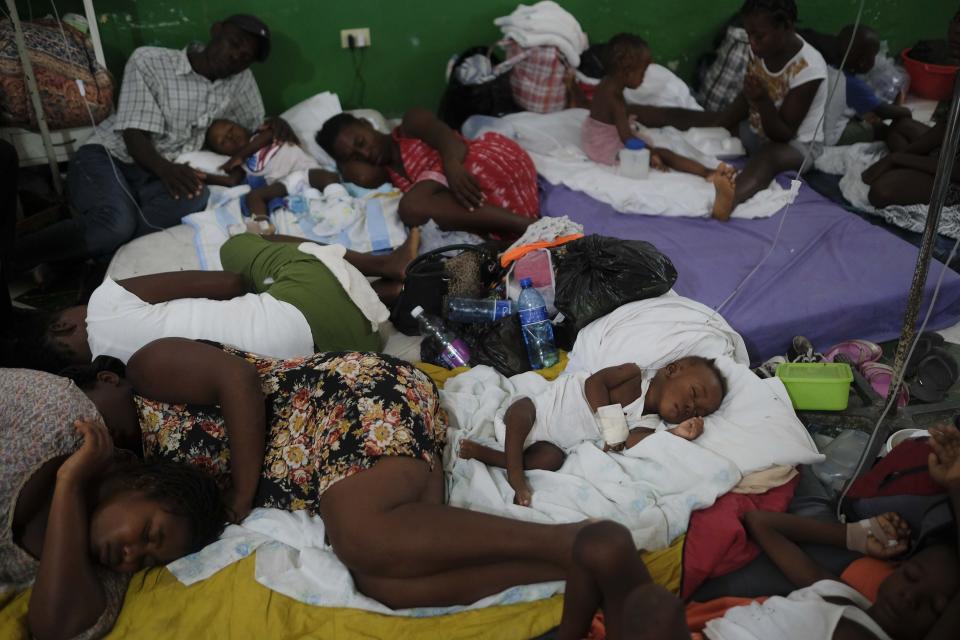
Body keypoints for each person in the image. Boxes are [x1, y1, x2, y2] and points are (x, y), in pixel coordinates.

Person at [61, 338, 656, 624]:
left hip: (346, 398)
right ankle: (575, 566)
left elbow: (237, 382)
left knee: (362, 537)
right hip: (334, 466)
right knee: (383, 582)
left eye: (85, 405)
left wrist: (241, 494)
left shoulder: (144, 370)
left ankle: (583, 540)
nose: (92, 429)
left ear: (102, 379)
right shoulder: (142, 475)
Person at [578, 423, 960, 640]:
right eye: (911, 577)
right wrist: (856, 536)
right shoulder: (839, 593)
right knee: (602, 543)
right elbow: (759, 523)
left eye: (934, 607)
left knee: (653, 608)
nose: (912, 598)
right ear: (897, 568)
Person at [12, 14, 293, 280]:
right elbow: (133, 133)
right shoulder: (151, 61)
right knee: (115, 223)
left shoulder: (240, 80)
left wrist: (275, 123)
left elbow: (254, 126)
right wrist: (166, 169)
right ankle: (12, 258)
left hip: (159, 173)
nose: (236, 57)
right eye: (234, 44)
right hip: (112, 157)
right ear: (216, 30)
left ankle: (83, 252)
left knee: (196, 197)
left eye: (246, 58)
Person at [1, 367, 226, 640]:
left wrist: (68, 485)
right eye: (148, 534)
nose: (131, 557)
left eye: (145, 561)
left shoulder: (100, 566)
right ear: (144, 484)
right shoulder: (58, 413)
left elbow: (56, 628)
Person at [7, 230, 420, 372]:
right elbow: (229, 282)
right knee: (236, 246)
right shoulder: (104, 304)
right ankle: (386, 262)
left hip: (351, 354)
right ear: (63, 324)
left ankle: (382, 293)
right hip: (314, 309)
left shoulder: (118, 380)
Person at [628, 0, 828, 211]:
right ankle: (632, 111)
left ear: (786, 25)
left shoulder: (809, 68)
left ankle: (728, 201)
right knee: (708, 119)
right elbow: (746, 99)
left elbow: (783, 134)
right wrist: (719, 121)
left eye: (758, 36)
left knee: (769, 157)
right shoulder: (760, 49)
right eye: (749, 35)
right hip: (756, 129)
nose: (752, 43)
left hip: (795, 146)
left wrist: (761, 100)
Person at [459, 356, 728, 506]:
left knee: (551, 460)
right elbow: (594, 384)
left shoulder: (651, 424)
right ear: (672, 370)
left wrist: (677, 433)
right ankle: (515, 475)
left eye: (697, 411)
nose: (690, 407)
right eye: (694, 393)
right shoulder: (632, 375)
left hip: (547, 444)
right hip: (533, 414)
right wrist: (611, 423)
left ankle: (492, 457)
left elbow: (635, 443)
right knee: (522, 410)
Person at [316, 108, 539, 238]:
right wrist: (343, 163)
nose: (365, 153)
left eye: (361, 142)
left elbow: (451, 142)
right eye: (355, 156)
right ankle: (528, 228)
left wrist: (450, 165)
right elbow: (361, 177)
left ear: (367, 123)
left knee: (413, 207)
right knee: (416, 207)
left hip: (477, 160)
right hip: (468, 194)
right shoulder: (386, 175)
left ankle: (529, 227)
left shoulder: (408, 126)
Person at [581, 33, 738, 219]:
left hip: (595, 136)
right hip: (605, 146)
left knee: (654, 145)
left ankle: (708, 171)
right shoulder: (615, 99)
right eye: (643, 72)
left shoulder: (607, 85)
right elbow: (626, 138)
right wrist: (652, 153)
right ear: (627, 72)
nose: (644, 78)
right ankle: (707, 172)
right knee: (663, 153)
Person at [860, 10, 960, 208]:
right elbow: (945, 128)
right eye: (956, 22)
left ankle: (912, 170)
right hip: (950, 150)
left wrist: (899, 158)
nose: (956, 31)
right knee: (900, 126)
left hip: (956, 172)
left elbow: (956, 170)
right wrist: (904, 157)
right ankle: (913, 168)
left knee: (882, 191)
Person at [799, 24, 916, 146]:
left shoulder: (827, 68)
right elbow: (884, 111)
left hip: (810, 130)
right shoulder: (852, 85)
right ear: (862, 62)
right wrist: (905, 111)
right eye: (873, 56)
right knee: (880, 129)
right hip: (829, 138)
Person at [199, 118, 319, 187]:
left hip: (304, 168)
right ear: (221, 153)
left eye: (231, 129)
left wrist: (239, 156)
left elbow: (270, 134)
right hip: (288, 185)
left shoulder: (259, 136)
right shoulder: (240, 165)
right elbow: (232, 181)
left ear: (240, 125)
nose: (230, 136)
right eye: (223, 141)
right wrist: (205, 177)